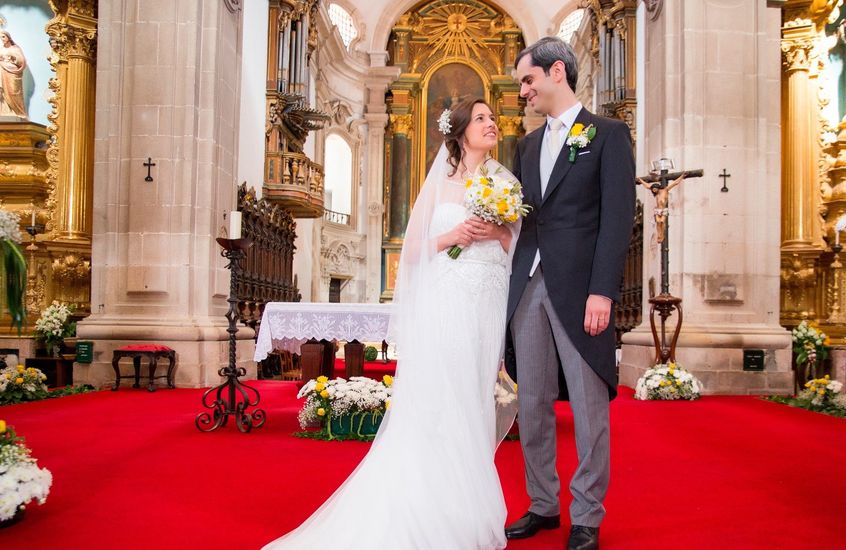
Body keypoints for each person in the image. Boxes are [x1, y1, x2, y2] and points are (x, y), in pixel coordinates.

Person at [263, 97, 519, 550]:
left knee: (474, 397)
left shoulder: (504, 183)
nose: (491, 124)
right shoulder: (439, 183)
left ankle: (467, 502)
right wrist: (453, 236)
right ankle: (433, 508)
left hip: (486, 303)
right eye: (481, 119)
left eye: (493, 118)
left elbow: (510, 243)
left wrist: (497, 232)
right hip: (448, 304)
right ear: (460, 132)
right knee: (446, 398)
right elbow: (414, 250)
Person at [505, 36, 635, 550]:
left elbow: (617, 219)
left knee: (586, 403)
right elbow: (521, 217)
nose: (523, 91)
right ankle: (542, 502)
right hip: (528, 286)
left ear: (556, 72)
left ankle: (586, 513)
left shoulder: (606, 134)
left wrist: (602, 290)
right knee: (532, 401)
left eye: (528, 79)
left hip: (582, 290)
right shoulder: (527, 145)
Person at [0, 30, 27, 118]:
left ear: (8, 37)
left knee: (13, 91)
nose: (2, 39)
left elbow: (22, 62)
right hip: (3, 72)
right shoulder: (2, 49)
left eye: (3, 37)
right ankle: (6, 111)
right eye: (1, 37)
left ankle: (19, 113)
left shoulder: (15, 48)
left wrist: (14, 57)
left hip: (13, 73)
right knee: (3, 92)